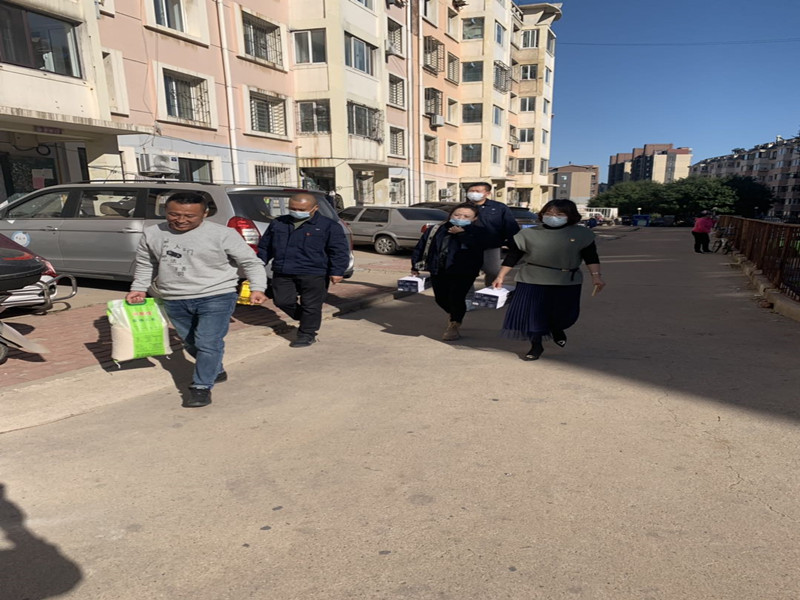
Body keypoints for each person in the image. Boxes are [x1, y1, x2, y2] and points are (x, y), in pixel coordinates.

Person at [126, 192, 268, 408]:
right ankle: (215, 368)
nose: (181, 220)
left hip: (217, 295)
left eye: (189, 216)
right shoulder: (153, 233)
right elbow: (146, 263)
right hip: (174, 297)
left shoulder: (223, 234)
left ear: (205, 213)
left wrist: (258, 287)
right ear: (166, 211)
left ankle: (201, 387)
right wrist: (138, 288)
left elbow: (250, 262)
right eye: (174, 214)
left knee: (207, 342)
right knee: (191, 343)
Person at [492, 199, 606, 361]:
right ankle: (536, 345)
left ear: (570, 216)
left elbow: (591, 257)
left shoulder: (582, 234)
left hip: (566, 280)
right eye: (549, 213)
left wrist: (596, 276)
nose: (553, 217)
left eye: (559, 214)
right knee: (533, 315)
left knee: (566, 315)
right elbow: (513, 256)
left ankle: (556, 328)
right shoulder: (528, 234)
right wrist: (501, 276)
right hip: (532, 278)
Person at [257, 193, 350, 348]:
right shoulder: (279, 223)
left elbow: (339, 250)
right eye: (292, 208)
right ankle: (308, 318)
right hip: (283, 270)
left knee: (311, 305)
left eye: (301, 209)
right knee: (282, 301)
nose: (296, 212)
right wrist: (258, 264)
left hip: (314, 272)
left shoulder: (328, 226)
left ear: (315, 208)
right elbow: (265, 247)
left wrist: (337, 271)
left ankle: (307, 334)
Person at [410, 203, 490, 341]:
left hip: (464, 271)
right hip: (438, 268)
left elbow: (476, 247)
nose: (460, 218)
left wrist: (461, 234)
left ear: (474, 218)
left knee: (457, 297)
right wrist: (415, 265)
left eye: (466, 216)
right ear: (450, 215)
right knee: (440, 298)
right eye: (457, 215)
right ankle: (454, 313)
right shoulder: (436, 229)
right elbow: (421, 247)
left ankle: (454, 324)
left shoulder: (478, 232)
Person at [465, 182, 520, 287]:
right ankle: (467, 295)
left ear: (487, 193)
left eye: (477, 191)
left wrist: (513, 244)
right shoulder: (463, 207)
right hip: (467, 246)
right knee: (465, 274)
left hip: (491, 247)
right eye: (471, 191)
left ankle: (489, 292)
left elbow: (510, 226)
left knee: (493, 272)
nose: (473, 193)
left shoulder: (499, 207)